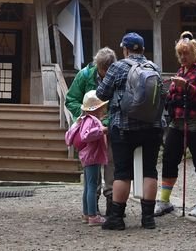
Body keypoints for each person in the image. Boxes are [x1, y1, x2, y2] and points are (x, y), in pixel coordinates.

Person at [95, 32, 164, 231]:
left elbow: (101, 94)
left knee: (122, 172)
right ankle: (148, 219)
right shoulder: (154, 67)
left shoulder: (117, 67)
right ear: (142, 49)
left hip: (124, 127)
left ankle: (116, 219)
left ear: (125, 49)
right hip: (152, 126)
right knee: (149, 170)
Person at [156, 31, 196, 219]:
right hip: (177, 123)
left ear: (195, 52)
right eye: (180, 54)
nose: (182, 57)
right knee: (169, 159)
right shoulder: (180, 71)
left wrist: (187, 87)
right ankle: (164, 201)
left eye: (186, 53)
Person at [64, 47, 116, 213]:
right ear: (97, 66)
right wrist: (88, 115)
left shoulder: (117, 76)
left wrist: (107, 122)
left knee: (112, 164)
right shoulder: (85, 75)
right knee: (92, 170)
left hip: (110, 127)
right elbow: (71, 100)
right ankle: (93, 208)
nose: (106, 73)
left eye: (109, 70)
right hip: (91, 132)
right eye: (103, 69)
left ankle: (112, 203)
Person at [65, 90, 109, 225]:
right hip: (92, 156)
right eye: (102, 107)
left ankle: (86, 213)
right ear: (96, 109)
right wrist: (101, 130)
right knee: (92, 186)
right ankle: (93, 216)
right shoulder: (91, 120)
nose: (104, 110)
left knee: (88, 186)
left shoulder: (83, 119)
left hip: (87, 156)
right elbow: (86, 136)